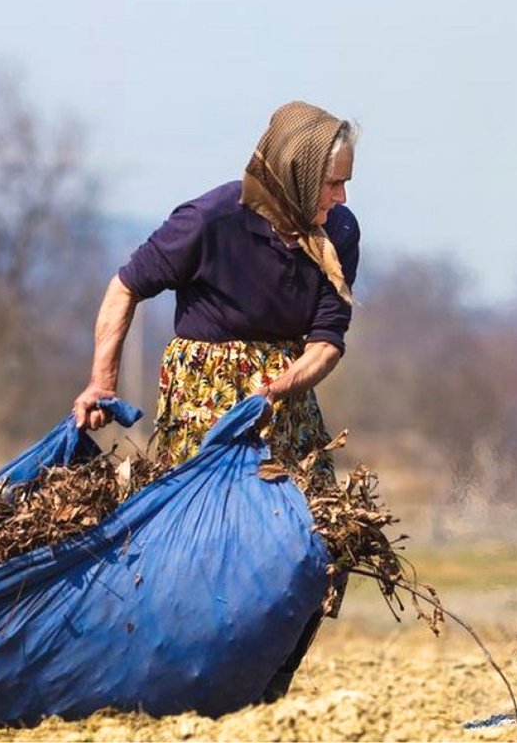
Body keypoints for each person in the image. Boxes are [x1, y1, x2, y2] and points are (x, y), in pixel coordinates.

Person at [70, 100, 360, 701]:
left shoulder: (340, 234)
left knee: (328, 539)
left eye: (346, 184)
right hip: (205, 393)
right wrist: (102, 382)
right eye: (333, 183)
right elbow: (126, 288)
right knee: (203, 547)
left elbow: (327, 342)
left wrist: (279, 388)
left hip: (285, 396)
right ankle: (180, 680)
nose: (342, 197)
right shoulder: (212, 218)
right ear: (299, 172)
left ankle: (271, 681)